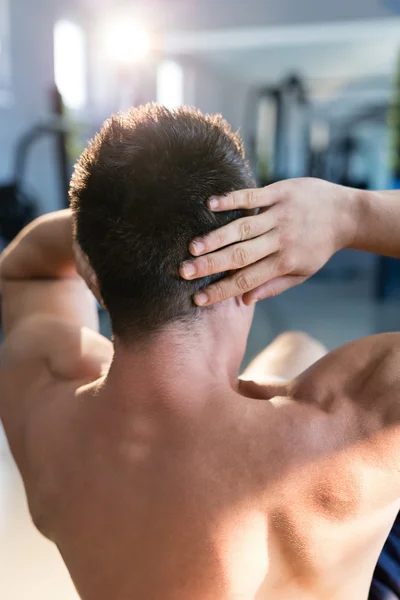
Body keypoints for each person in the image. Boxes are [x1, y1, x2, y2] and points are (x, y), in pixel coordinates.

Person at [0, 104, 399, 600]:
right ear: (245, 262)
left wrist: (105, 240)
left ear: (96, 285)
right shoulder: (350, 422)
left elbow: (24, 268)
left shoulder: (43, 410)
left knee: (294, 350)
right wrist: (350, 214)